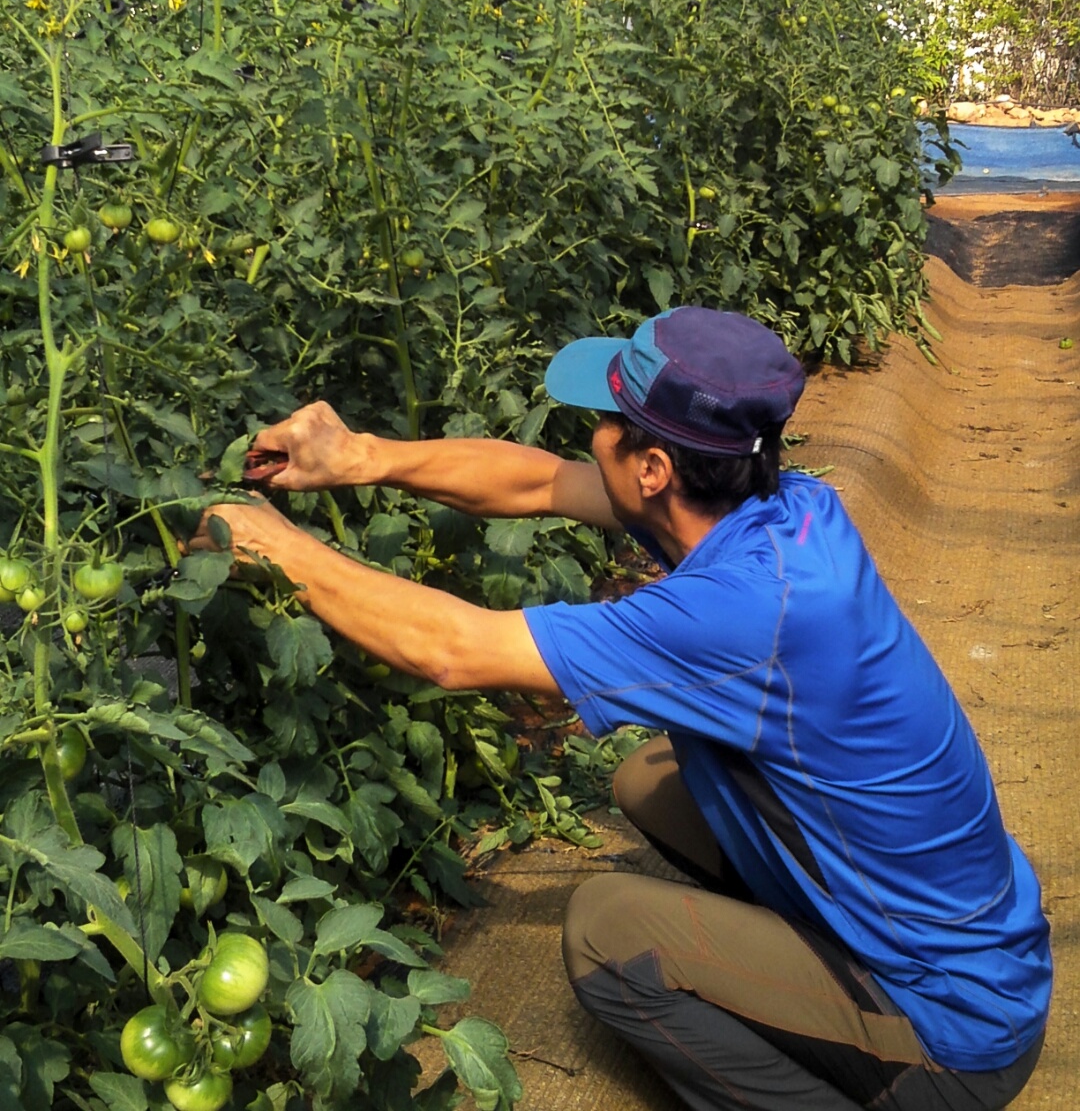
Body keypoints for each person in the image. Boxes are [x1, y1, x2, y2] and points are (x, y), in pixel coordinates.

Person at [187, 306, 1051, 1111]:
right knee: (651, 778)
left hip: (952, 1031)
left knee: (608, 931)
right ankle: (814, 949)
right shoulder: (779, 508)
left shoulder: (743, 614)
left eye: (607, 420)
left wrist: (271, 544)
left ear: (653, 469)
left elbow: (453, 650)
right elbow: (539, 483)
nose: (590, 435)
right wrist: (359, 456)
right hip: (968, 934)